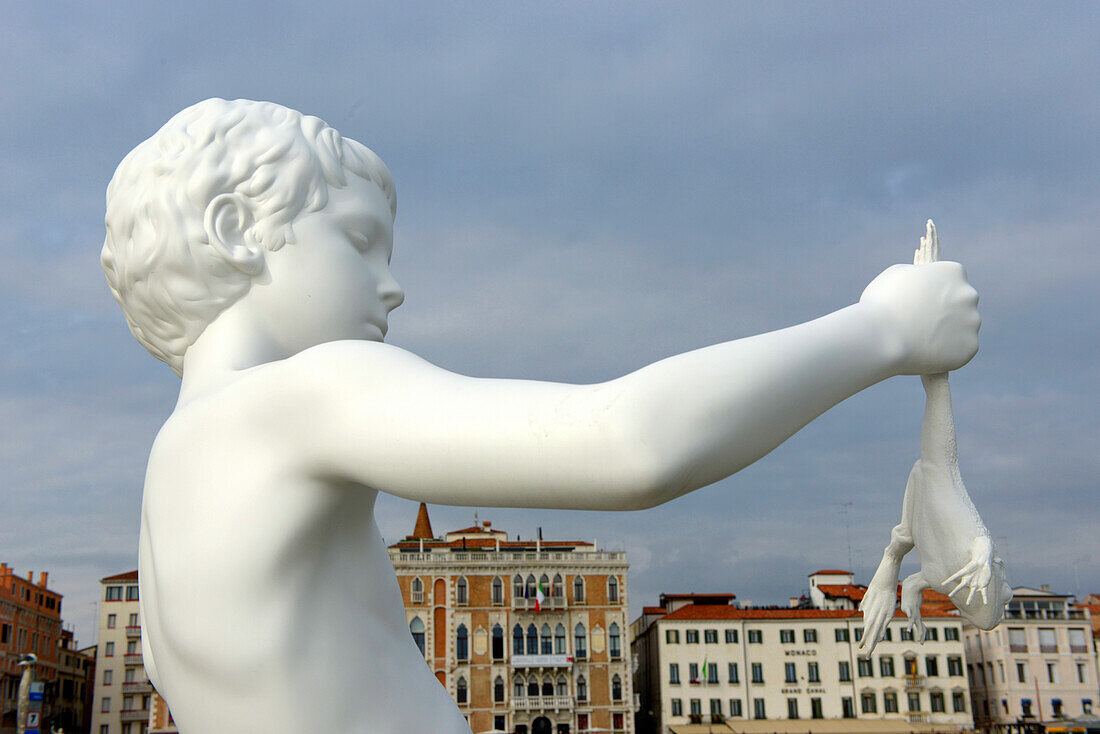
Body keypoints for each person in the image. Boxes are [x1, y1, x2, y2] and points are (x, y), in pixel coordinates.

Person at [102, 98, 981, 733]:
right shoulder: (298, 398)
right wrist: (888, 329)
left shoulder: (169, 481)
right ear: (234, 230)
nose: (393, 286)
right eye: (361, 243)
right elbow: (631, 443)